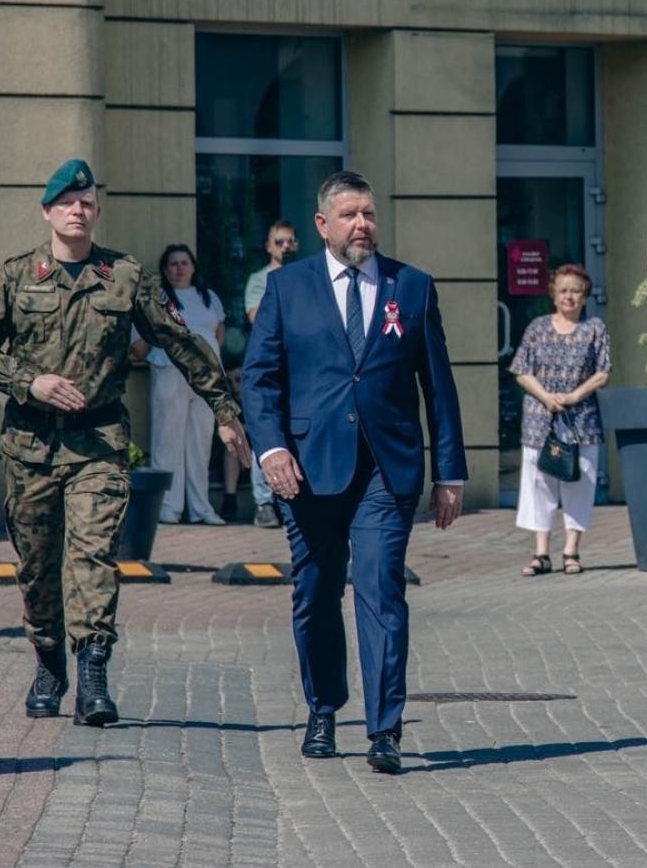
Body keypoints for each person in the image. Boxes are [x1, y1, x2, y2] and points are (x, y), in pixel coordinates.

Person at [0, 158, 248, 726]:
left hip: (99, 443)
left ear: (97, 212)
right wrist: (28, 382)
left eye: (87, 203)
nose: (78, 210)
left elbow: (180, 341)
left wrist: (223, 408)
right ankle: (49, 662)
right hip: (32, 446)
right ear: (47, 211)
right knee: (37, 567)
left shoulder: (125, 276)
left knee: (93, 556)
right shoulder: (17, 276)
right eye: (67, 203)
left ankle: (93, 671)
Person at [243, 170, 466, 775]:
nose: (362, 224)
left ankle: (385, 729)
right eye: (349, 215)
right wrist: (272, 450)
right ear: (323, 224)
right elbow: (259, 380)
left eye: (368, 213)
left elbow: (439, 387)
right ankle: (322, 707)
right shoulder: (287, 288)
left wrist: (450, 472)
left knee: (381, 589)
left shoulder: (411, 286)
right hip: (307, 470)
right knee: (316, 593)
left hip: (386, 471)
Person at [512, 263, 611, 576]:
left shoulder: (594, 328)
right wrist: (546, 397)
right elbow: (521, 371)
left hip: (581, 421)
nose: (569, 296)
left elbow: (603, 372)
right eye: (563, 290)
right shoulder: (537, 328)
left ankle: (571, 551)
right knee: (538, 483)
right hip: (540, 421)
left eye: (576, 291)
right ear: (553, 294)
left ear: (585, 297)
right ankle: (541, 554)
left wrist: (572, 397)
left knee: (580, 481)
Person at [131, 245, 229, 526]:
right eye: (173, 264)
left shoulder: (209, 297)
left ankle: (201, 508)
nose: (179, 268)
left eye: (184, 263)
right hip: (170, 370)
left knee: (201, 442)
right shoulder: (157, 298)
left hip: (207, 377)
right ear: (165, 269)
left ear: (193, 267)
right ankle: (167, 506)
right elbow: (138, 340)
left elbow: (218, 335)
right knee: (167, 439)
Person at [241, 220, 298, 528]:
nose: (285, 247)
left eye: (290, 241)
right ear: (268, 246)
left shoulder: (306, 277)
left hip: (298, 366)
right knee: (266, 430)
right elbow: (256, 317)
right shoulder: (260, 279)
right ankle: (263, 501)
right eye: (279, 242)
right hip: (270, 365)